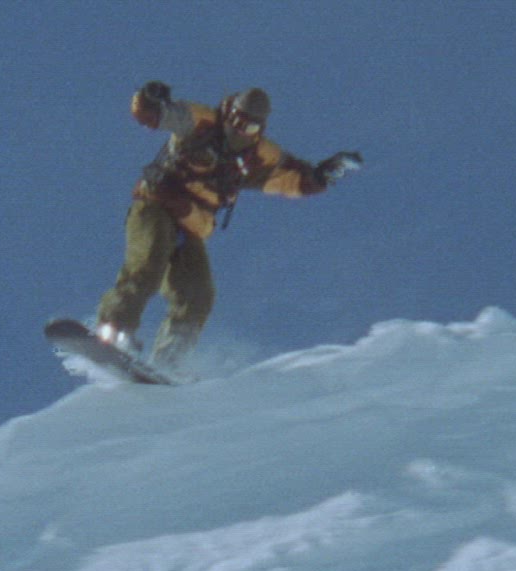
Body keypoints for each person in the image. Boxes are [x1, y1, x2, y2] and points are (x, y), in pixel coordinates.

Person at [94, 82, 361, 373]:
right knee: (148, 262)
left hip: (191, 226)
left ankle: (169, 360)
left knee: (198, 294)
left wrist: (323, 175)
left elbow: (294, 179)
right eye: (235, 121)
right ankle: (114, 328)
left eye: (248, 128)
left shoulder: (257, 155)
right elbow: (150, 114)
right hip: (156, 206)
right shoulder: (202, 122)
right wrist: (148, 98)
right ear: (228, 112)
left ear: (258, 129)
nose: (239, 131)